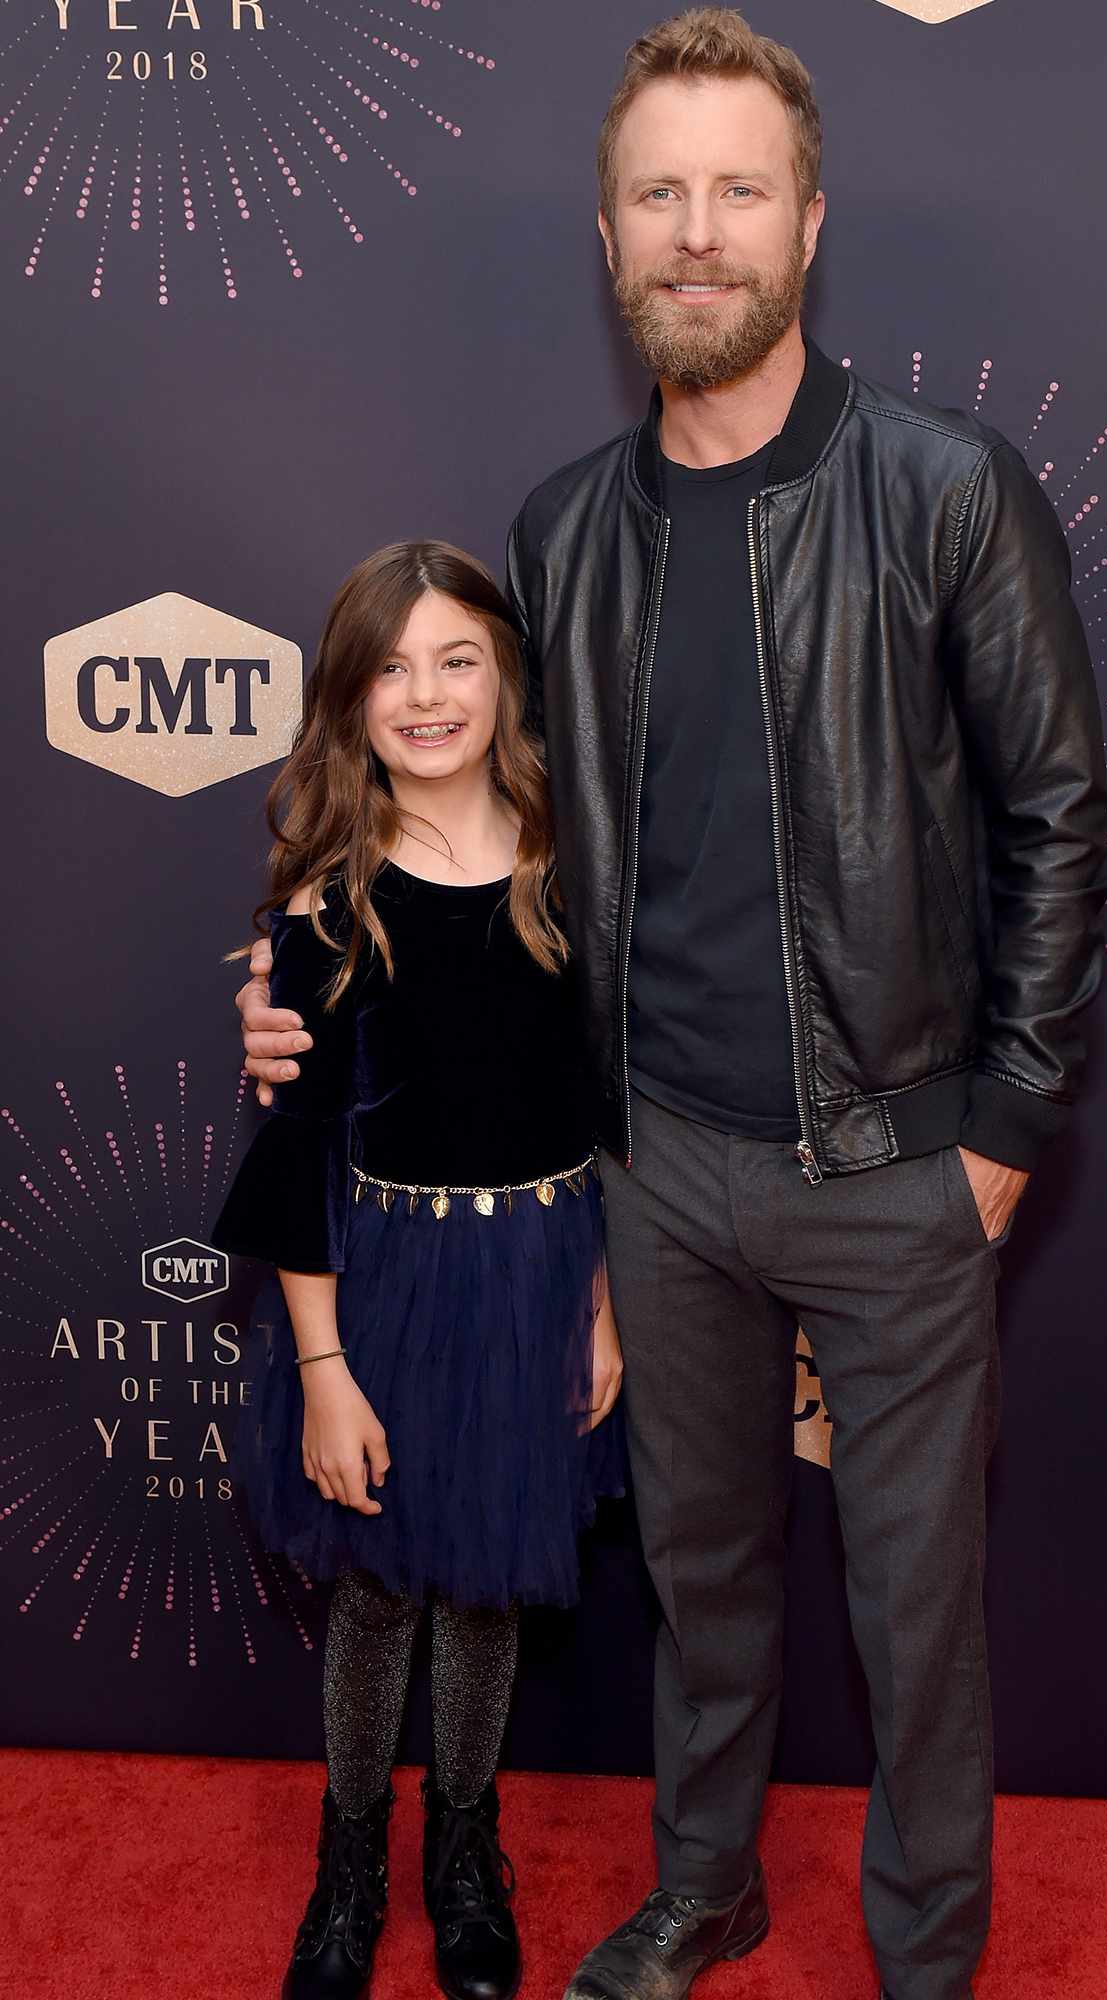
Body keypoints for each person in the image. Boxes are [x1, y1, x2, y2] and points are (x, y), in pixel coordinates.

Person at [237, 12, 1107, 1999]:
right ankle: (704, 1887)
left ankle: (923, 1961)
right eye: (659, 193)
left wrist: (994, 1137)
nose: (695, 231)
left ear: (808, 219)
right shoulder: (564, 532)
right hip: (658, 1173)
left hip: (898, 1168)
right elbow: (501, 834)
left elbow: (1060, 821)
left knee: (914, 1612)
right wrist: (301, 942)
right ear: (604, 234)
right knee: (702, 1587)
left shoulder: (950, 490)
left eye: (736, 190)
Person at [212, 540, 624, 2000]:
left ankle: (464, 1851)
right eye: (390, 667)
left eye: (456, 658)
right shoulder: (333, 900)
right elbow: (298, 1153)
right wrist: (322, 1371)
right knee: (379, 1589)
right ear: (349, 699)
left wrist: (604, 1305)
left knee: (486, 1591)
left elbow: (613, 1105)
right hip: (380, 1285)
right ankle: (349, 1862)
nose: (426, 693)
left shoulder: (581, 864)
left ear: (506, 672)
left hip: (539, 1278)